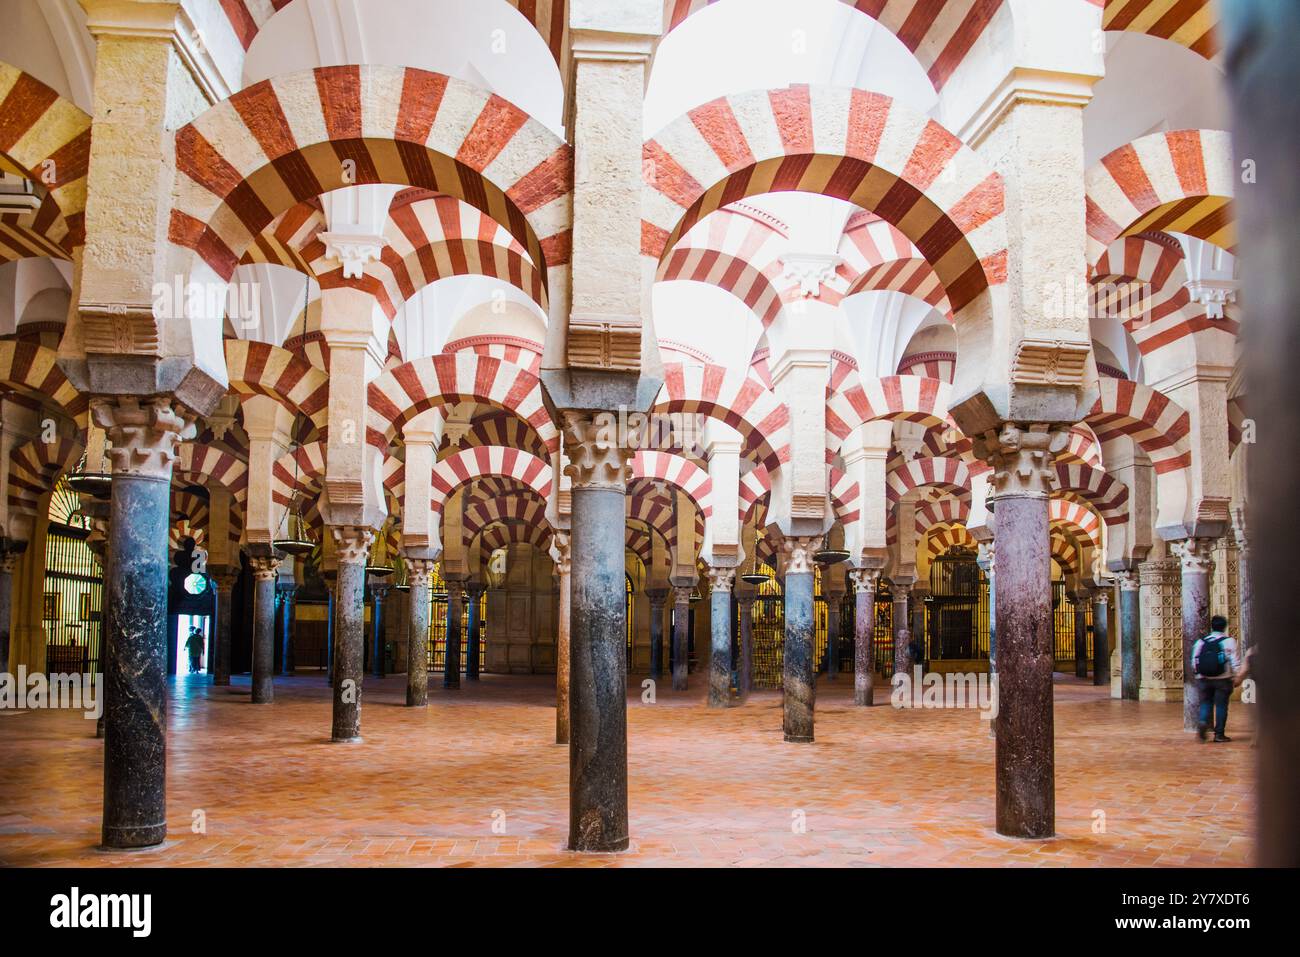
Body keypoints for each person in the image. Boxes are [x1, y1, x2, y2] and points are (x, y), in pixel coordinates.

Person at [1191, 615, 1242, 743]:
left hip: (1204, 678)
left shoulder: (1201, 641)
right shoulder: (1229, 641)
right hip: (1223, 679)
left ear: (1212, 626)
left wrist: (1198, 675)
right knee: (1221, 705)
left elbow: (1194, 661)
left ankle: (1203, 722)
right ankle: (1219, 734)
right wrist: (1237, 676)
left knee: (1206, 703)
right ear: (1225, 627)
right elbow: (1235, 662)